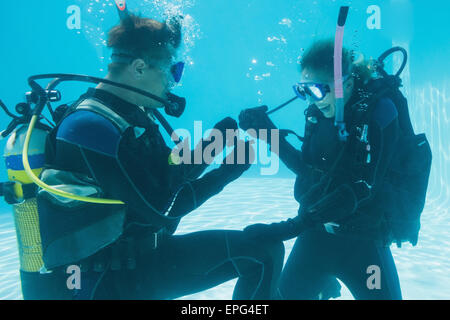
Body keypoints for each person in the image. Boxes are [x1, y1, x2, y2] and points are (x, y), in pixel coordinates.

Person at [25, 14, 284, 300]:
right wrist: (228, 172)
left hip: (140, 261)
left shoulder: (131, 114)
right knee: (261, 256)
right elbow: (162, 210)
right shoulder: (90, 128)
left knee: (265, 252)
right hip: (110, 281)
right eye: (173, 71)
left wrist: (213, 142)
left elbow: (167, 173)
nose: (174, 83)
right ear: (138, 68)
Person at [239, 39, 404, 300]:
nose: (311, 101)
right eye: (303, 91)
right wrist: (268, 133)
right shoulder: (316, 115)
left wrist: (289, 227)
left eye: (316, 90)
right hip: (315, 236)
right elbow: (307, 170)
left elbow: (361, 188)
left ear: (346, 84)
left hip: (363, 242)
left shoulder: (380, 113)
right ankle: (324, 282)